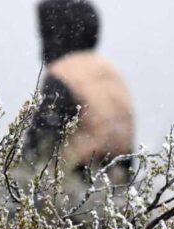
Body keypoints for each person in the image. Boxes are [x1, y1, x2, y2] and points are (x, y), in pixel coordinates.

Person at [23, 0, 134, 183]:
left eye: (45, 34)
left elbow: (39, 142)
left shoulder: (63, 73)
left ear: (58, 34)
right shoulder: (111, 72)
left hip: (78, 185)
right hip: (117, 182)